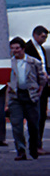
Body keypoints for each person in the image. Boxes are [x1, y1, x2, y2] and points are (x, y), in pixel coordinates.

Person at [8, 37, 47, 161]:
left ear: (23, 49)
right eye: (13, 49)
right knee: (17, 125)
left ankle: (33, 147)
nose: (15, 51)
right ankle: (20, 150)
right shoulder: (9, 63)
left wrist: (39, 90)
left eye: (17, 48)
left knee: (33, 124)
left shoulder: (33, 62)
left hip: (31, 95)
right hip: (16, 95)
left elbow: (42, 78)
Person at [30, 26, 50, 155]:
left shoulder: (41, 49)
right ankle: (35, 144)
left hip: (43, 85)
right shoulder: (28, 49)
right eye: (43, 36)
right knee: (35, 116)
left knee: (41, 114)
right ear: (35, 35)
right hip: (34, 86)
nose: (44, 39)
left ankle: (38, 143)